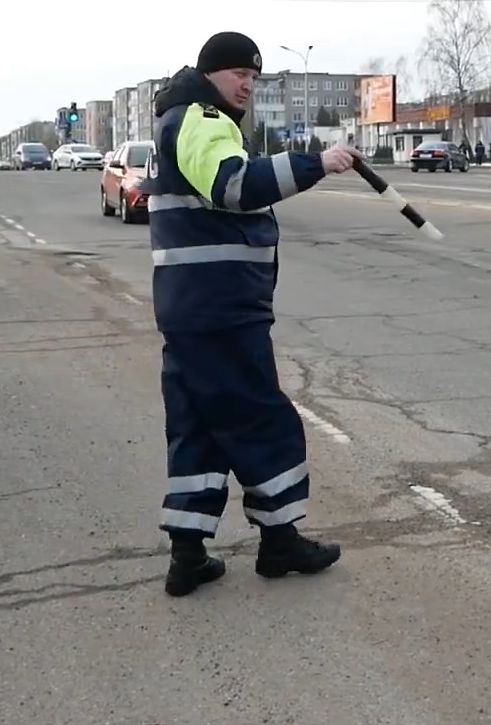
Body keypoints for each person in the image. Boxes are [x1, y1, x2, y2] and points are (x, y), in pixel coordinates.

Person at [142, 31, 361, 597]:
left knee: (199, 426)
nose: (247, 84)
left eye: (255, 77)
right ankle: (280, 540)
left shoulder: (178, 122)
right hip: (222, 308)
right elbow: (234, 186)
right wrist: (318, 162)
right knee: (262, 419)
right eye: (239, 73)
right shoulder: (201, 119)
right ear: (210, 74)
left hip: (191, 306)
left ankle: (187, 554)